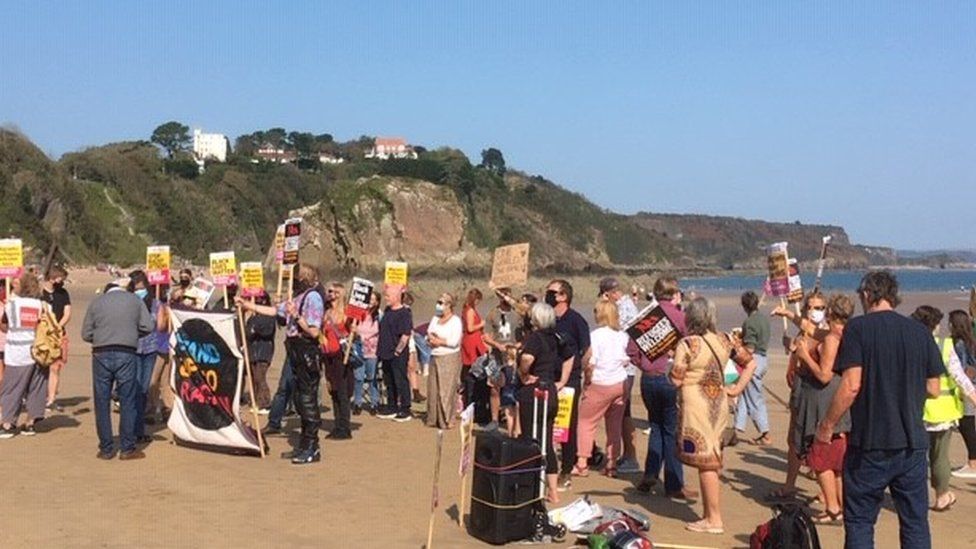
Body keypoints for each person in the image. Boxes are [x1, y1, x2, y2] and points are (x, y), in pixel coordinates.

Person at [816, 271, 944, 548]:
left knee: (861, 521)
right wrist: (904, 385)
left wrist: (827, 425)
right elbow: (934, 388)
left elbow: (851, 385)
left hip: (871, 443)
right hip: (911, 441)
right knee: (915, 522)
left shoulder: (858, 329)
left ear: (866, 295)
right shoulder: (920, 332)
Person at [670, 297, 757, 535]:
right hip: (718, 402)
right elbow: (750, 364)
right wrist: (736, 388)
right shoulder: (724, 340)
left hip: (696, 404)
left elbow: (676, 379)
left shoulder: (687, 344)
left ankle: (714, 518)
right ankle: (709, 514)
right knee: (712, 458)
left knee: (706, 462)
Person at [238, 264, 325, 464]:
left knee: (306, 399)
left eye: (295, 278)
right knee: (297, 395)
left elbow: (313, 331)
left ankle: (312, 447)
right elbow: (274, 310)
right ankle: (304, 445)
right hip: (294, 350)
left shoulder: (313, 298)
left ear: (304, 279)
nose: (292, 282)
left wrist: (296, 315)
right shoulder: (297, 298)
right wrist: (248, 305)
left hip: (306, 351)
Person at [793, 294, 855, 524]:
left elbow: (824, 375)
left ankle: (832, 507)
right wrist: (792, 315)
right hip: (836, 397)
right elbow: (813, 330)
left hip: (825, 398)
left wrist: (804, 356)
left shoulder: (832, 339)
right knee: (836, 460)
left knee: (822, 458)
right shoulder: (844, 333)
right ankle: (839, 504)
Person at [634, 276, 696, 499]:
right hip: (668, 378)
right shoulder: (680, 317)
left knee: (656, 426)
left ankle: (650, 474)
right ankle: (674, 483)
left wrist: (643, 363)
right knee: (670, 430)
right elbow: (691, 345)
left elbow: (631, 348)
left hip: (648, 378)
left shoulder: (646, 318)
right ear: (674, 293)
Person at [81, 277, 155, 459]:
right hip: (126, 352)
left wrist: (101, 337)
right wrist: (131, 334)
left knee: (102, 401)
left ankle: (106, 448)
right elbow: (148, 326)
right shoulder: (135, 301)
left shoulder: (97, 302)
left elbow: (86, 333)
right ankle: (127, 448)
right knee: (128, 399)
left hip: (100, 353)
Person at [911, 307, 976, 512]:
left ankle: (916, 496)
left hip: (915, 410)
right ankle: (941, 495)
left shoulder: (909, 343)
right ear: (935, 325)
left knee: (917, 457)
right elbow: (958, 376)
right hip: (943, 411)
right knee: (939, 457)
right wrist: (973, 396)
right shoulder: (944, 345)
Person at [767, 291, 828, 501]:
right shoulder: (803, 334)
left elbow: (824, 371)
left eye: (820, 308)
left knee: (817, 442)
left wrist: (801, 351)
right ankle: (789, 485)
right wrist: (792, 347)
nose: (815, 312)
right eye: (811, 307)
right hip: (799, 389)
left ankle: (829, 491)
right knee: (793, 439)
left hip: (817, 394)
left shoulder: (826, 334)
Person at [518, 303, 574, 504]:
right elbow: (570, 356)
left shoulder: (536, 337)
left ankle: (532, 488)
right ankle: (553, 490)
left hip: (536, 392)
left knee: (531, 440)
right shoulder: (555, 337)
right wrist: (562, 381)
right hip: (550, 390)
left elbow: (526, 358)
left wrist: (523, 373)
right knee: (547, 441)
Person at [573, 298, 629, 477]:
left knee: (586, 423)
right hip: (620, 382)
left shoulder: (595, 335)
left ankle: (582, 462)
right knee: (614, 425)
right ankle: (611, 463)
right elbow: (626, 360)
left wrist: (587, 380)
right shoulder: (622, 335)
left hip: (600, 382)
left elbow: (590, 362)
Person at [546, 279, 591, 491]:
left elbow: (586, 351)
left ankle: (566, 470)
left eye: (552, 292)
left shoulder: (576, 321)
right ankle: (547, 467)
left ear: (563, 296)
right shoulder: (547, 319)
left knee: (566, 426)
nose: (548, 295)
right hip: (547, 376)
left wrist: (577, 372)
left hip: (570, 380)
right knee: (547, 423)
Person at [597, 277, 641, 474]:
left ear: (609, 293)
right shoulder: (628, 305)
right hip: (625, 366)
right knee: (623, 411)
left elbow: (614, 332)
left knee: (623, 412)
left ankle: (630, 456)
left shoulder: (621, 308)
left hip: (623, 367)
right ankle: (625, 454)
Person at [0, 273, 51, 438]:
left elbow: (3, 325)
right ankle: (30, 423)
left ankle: (8, 423)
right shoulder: (42, 305)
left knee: (12, 388)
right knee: (36, 387)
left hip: (17, 352)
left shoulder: (12, 305)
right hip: (40, 351)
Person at [128, 271, 168, 444]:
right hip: (137, 349)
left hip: (145, 349)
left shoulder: (153, 304)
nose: (140, 291)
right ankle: (134, 427)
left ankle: (137, 427)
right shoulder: (152, 304)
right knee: (139, 389)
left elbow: (160, 326)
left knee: (141, 389)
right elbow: (159, 326)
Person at [733, 290, 771, 446]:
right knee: (744, 396)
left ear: (744, 306)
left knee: (754, 399)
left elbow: (750, 348)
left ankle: (765, 433)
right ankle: (736, 429)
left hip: (753, 361)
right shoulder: (763, 319)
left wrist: (736, 345)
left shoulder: (750, 322)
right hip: (763, 359)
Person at [483, 287, 520, 431]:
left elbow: (526, 334)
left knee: (513, 388)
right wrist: (497, 345)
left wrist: (516, 345)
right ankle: (494, 419)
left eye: (508, 295)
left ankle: (513, 419)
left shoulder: (517, 315)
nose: (506, 299)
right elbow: (486, 335)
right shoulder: (493, 314)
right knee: (494, 387)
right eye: (503, 295)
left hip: (513, 356)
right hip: (496, 357)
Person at [376, 283, 413, 422]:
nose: (386, 298)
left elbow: (405, 334)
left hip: (397, 353)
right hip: (385, 351)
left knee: (400, 380)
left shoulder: (404, 313)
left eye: (388, 296)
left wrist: (398, 350)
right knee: (388, 380)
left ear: (397, 297)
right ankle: (392, 406)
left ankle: (405, 408)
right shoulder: (387, 310)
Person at [425, 293, 463, 428]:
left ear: (449, 305)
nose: (438, 305)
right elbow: (428, 333)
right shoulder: (435, 318)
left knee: (446, 390)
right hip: (434, 355)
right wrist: (430, 340)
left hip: (449, 357)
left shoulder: (456, 321)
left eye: (441, 302)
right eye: (438, 302)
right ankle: (432, 418)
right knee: (433, 388)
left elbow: (454, 341)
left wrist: (438, 341)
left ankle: (446, 419)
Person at [321, 282, 353, 440]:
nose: (329, 294)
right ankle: (337, 423)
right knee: (332, 390)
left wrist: (353, 330)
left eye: (333, 291)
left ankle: (344, 426)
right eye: (329, 291)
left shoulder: (346, 313)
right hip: (328, 355)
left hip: (341, 355)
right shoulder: (327, 313)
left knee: (342, 391)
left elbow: (355, 332)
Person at [949, 309, 976, 479]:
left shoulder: (959, 343)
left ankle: (973, 462)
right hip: (971, 385)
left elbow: (962, 368)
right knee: (967, 423)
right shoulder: (970, 341)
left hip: (967, 387)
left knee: (966, 424)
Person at [41, 266, 71, 411]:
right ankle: (40, 396)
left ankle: (51, 398)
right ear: (52, 277)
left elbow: (67, 313)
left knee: (56, 366)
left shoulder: (63, 293)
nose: (61, 281)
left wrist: (57, 327)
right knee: (41, 367)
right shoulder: (40, 293)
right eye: (60, 278)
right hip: (42, 334)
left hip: (59, 334)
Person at [245, 291, 277, 412]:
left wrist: (255, 329)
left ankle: (265, 403)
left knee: (260, 377)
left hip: (264, 351)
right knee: (253, 378)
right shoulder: (253, 317)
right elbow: (248, 333)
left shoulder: (269, 315)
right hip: (253, 351)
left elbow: (267, 332)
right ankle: (256, 401)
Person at [461, 288, 489, 419]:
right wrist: (482, 324)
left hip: (474, 341)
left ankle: (474, 405)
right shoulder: (470, 310)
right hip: (472, 342)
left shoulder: (468, 309)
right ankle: (472, 405)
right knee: (474, 370)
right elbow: (470, 328)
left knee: (473, 370)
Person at [353, 290, 381, 415]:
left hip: (373, 351)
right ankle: (357, 403)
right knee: (358, 378)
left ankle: (374, 403)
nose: (371, 301)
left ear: (377, 302)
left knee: (372, 378)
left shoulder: (379, 315)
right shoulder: (358, 315)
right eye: (369, 299)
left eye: (373, 299)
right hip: (359, 350)